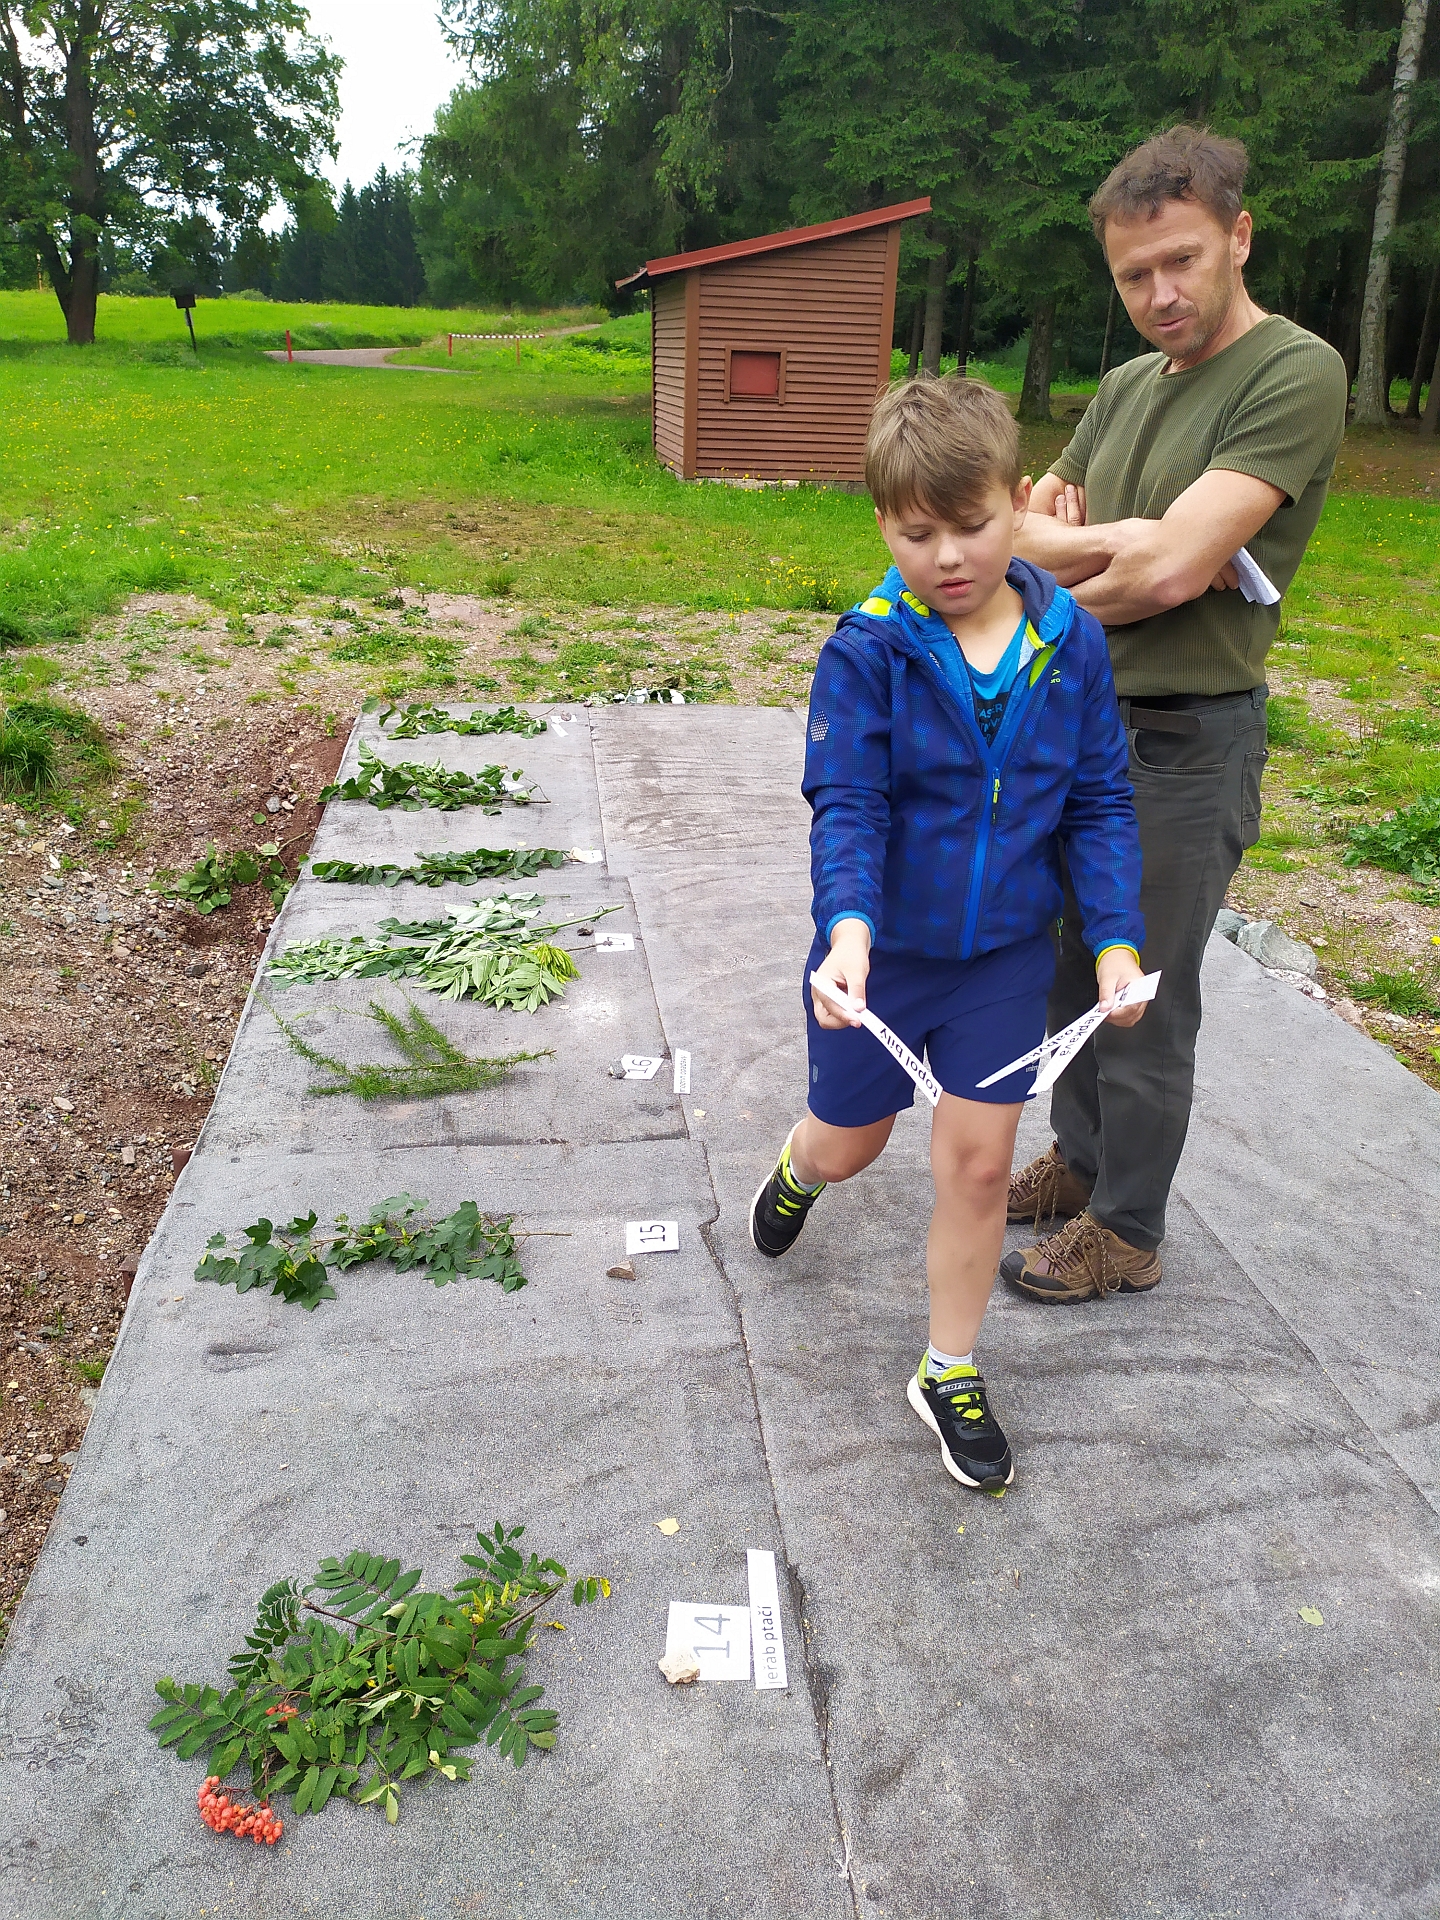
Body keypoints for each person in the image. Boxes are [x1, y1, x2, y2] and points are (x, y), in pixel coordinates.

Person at [748, 376, 1146, 1492]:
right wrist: (849, 932)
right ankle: (798, 1168)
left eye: (970, 525)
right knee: (852, 1144)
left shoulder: (1071, 645)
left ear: (1019, 502)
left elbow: (1100, 805)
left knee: (978, 1167)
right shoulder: (867, 651)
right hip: (880, 966)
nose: (948, 556)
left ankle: (949, 1368)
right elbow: (849, 805)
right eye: (916, 534)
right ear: (883, 523)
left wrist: (1114, 942)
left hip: (1005, 964)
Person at [1004, 125, 1349, 1304]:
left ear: (1238, 238)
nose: (1160, 294)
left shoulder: (1294, 372)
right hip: (1079, 726)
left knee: (1137, 991)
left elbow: (1162, 575)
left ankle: (1128, 1228)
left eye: (1182, 261)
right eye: (1134, 274)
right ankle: (1082, 1160)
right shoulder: (1122, 388)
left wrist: (1072, 568)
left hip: (1185, 739)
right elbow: (1018, 534)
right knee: (1066, 966)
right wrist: (1116, 545)